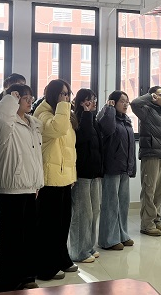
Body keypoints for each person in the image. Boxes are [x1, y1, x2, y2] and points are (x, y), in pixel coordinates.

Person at [0, 84, 43, 292]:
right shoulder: (6, 122)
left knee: (28, 238)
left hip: (30, 187)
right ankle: (7, 284)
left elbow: (36, 156)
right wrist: (10, 98)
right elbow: (1, 115)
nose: (29, 101)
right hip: (12, 188)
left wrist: (37, 182)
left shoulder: (32, 123)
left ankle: (26, 276)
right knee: (11, 241)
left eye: (31, 97)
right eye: (24, 97)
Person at [33, 79, 77, 281]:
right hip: (49, 178)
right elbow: (57, 129)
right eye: (61, 94)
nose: (65, 97)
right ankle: (45, 266)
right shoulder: (43, 114)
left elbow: (70, 148)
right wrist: (63, 106)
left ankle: (61, 258)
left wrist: (72, 174)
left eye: (67, 94)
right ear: (51, 94)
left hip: (64, 177)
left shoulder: (64, 114)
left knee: (63, 223)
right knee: (48, 226)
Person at [130, 86, 161, 237]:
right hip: (151, 155)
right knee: (149, 190)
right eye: (159, 95)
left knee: (160, 191)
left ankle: (156, 220)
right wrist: (149, 97)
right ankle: (147, 224)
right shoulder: (146, 110)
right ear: (153, 96)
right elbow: (134, 103)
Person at [97, 91, 136, 251]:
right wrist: (109, 109)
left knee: (123, 204)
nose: (125, 104)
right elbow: (107, 129)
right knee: (110, 204)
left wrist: (131, 166)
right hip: (112, 167)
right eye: (122, 101)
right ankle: (108, 239)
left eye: (127, 101)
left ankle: (122, 235)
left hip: (124, 167)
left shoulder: (126, 120)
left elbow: (130, 145)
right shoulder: (107, 116)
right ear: (113, 102)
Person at [69, 89, 103, 263]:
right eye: (89, 99)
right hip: (81, 174)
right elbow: (83, 138)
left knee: (94, 212)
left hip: (94, 174)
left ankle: (89, 247)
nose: (93, 102)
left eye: (94, 99)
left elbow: (98, 145)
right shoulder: (75, 119)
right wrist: (87, 114)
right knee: (83, 214)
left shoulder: (93, 119)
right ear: (81, 102)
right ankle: (78, 251)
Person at [0, 73, 27, 249]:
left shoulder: (27, 111)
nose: (19, 92)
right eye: (16, 86)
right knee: (5, 203)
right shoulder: (2, 104)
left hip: (23, 165)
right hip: (6, 161)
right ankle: (1, 238)